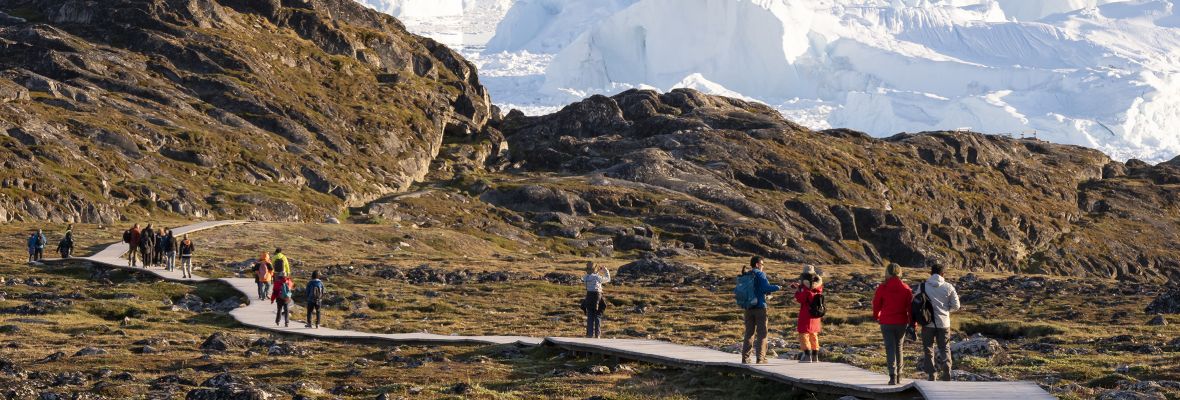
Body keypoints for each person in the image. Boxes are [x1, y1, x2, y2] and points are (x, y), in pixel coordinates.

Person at [873, 263, 913, 385]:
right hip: (901, 322)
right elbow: (910, 309)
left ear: (887, 273)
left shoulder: (882, 288)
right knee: (899, 348)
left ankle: (892, 376)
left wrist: (877, 316)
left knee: (890, 348)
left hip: (886, 322)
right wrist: (912, 324)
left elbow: (876, 305)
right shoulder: (906, 288)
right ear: (900, 273)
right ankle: (899, 375)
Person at [920, 263, 961, 382]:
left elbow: (916, 302)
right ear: (943, 274)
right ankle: (947, 370)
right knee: (945, 348)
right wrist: (947, 310)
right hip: (944, 323)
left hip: (927, 322)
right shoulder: (949, 287)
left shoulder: (923, 286)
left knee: (928, 348)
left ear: (931, 273)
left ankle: (931, 374)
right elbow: (956, 306)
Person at [740, 256, 781, 364]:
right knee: (762, 334)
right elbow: (765, 288)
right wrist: (777, 287)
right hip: (760, 308)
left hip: (748, 308)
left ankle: (745, 358)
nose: (763, 266)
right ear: (757, 264)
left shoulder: (747, 274)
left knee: (749, 334)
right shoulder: (760, 273)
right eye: (762, 264)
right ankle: (760, 358)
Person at [793, 265, 824, 363]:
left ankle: (807, 355)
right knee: (813, 334)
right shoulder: (818, 285)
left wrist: (797, 291)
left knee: (804, 334)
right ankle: (815, 356)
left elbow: (801, 299)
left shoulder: (806, 286)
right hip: (815, 314)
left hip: (806, 313)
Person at [581, 261, 610, 338]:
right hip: (597, 295)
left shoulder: (585, 277)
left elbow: (586, 277)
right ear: (595, 269)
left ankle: (589, 334)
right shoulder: (597, 277)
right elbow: (608, 279)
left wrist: (597, 271)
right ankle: (597, 334)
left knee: (590, 315)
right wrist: (605, 270)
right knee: (598, 314)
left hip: (589, 295)